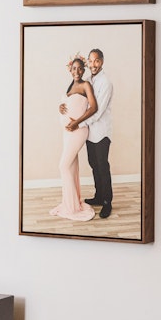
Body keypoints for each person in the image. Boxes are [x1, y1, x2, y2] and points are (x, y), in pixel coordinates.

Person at [65, 48, 114, 219]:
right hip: (89, 133)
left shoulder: (105, 83)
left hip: (101, 132)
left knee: (102, 166)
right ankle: (99, 196)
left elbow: (97, 111)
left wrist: (78, 124)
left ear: (102, 62)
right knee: (94, 164)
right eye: (91, 61)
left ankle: (107, 202)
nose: (93, 64)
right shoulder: (87, 80)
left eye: (97, 61)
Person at [51, 54, 98, 222]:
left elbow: (93, 107)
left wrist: (77, 123)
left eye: (80, 69)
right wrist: (61, 107)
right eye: (74, 69)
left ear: (84, 70)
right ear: (70, 70)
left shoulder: (86, 85)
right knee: (71, 166)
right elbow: (70, 104)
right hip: (68, 132)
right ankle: (72, 203)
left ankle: (71, 207)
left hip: (78, 130)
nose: (77, 71)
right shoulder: (71, 85)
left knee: (63, 166)